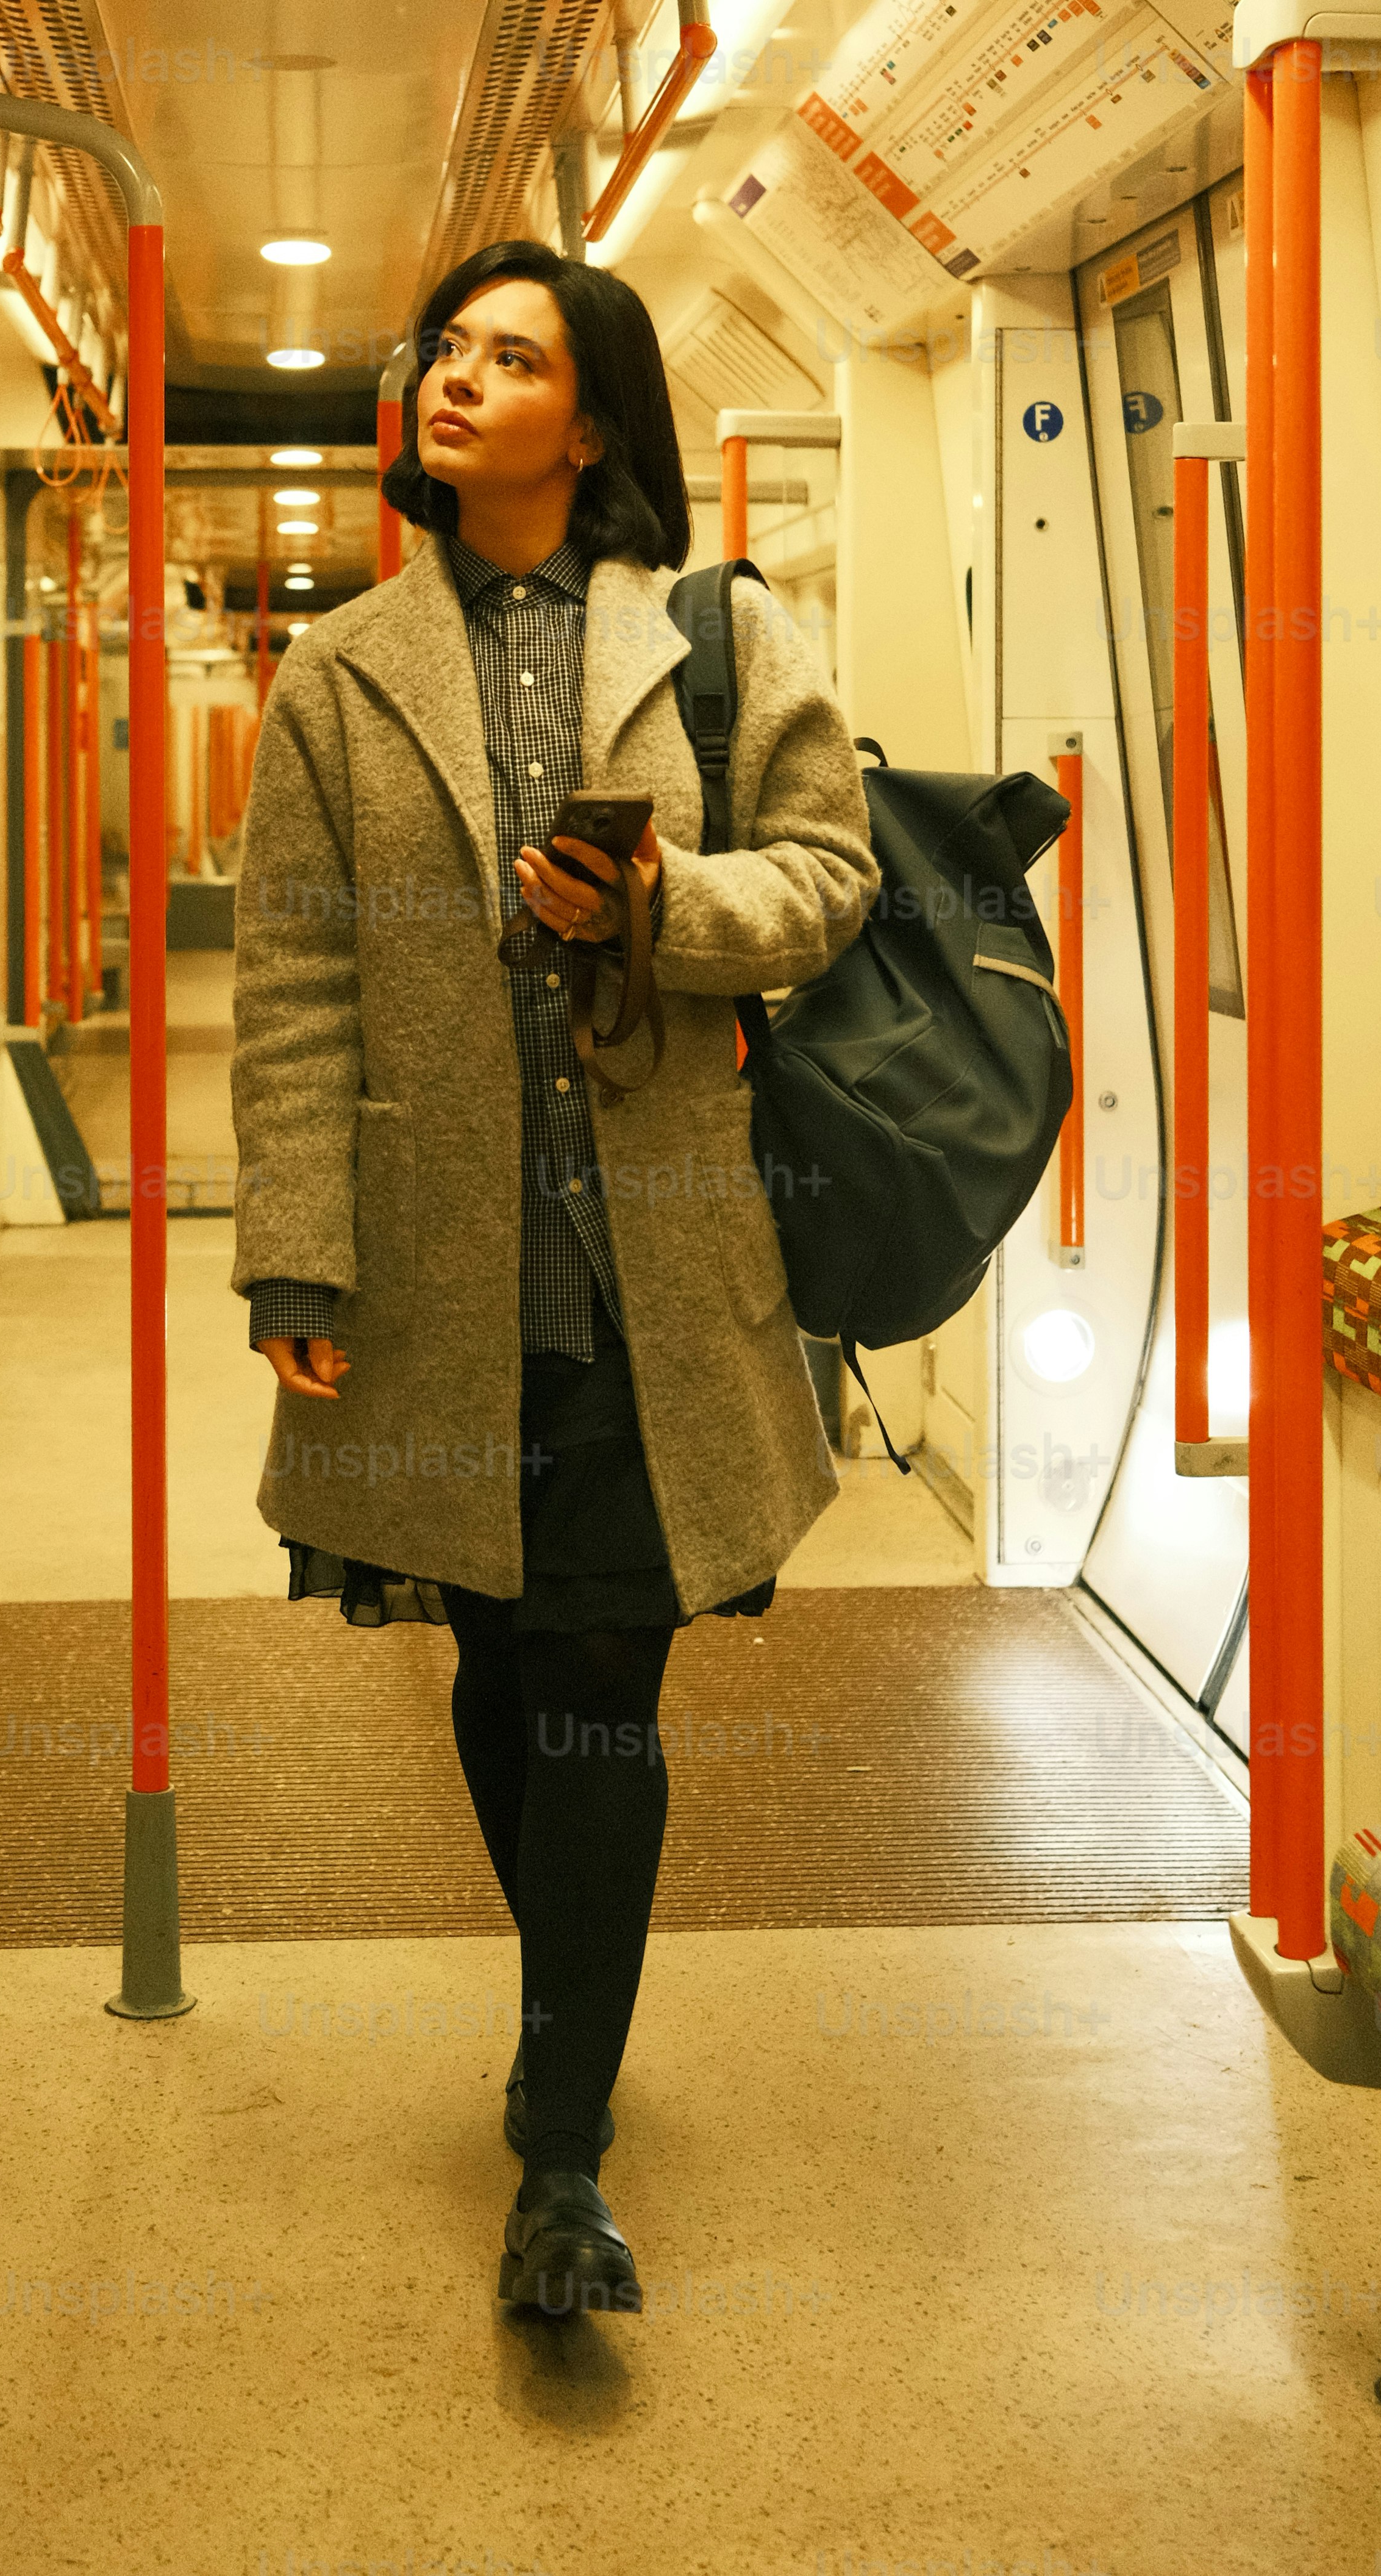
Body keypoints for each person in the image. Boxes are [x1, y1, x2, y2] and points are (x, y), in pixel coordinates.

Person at [229, 238, 876, 2317]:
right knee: (497, 1672)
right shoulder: (337, 670)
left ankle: (562, 2154)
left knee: (600, 1668)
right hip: (431, 1265)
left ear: (587, 421)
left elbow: (833, 873)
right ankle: (569, 2013)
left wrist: (663, 901)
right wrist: (292, 1251)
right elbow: (296, 982)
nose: (456, 377)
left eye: (512, 357)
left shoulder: (713, 637)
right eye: (450, 349)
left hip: (647, 1262)